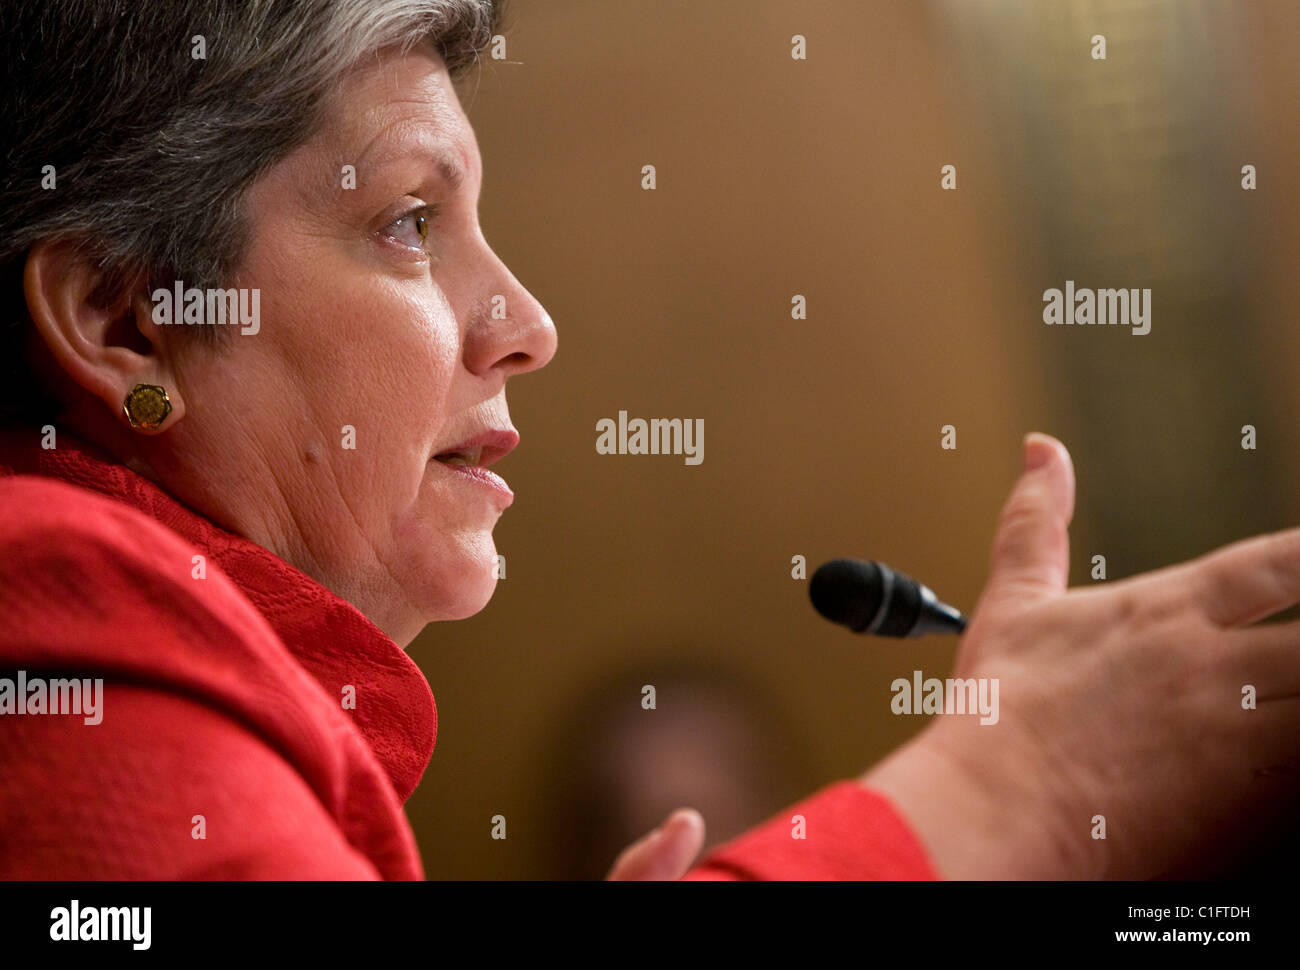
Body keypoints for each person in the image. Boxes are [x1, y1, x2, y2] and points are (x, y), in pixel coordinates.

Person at [0, 0, 1295, 881]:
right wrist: (1014, 792)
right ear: (127, 318)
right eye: (408, 221)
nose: (527, 325)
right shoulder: (41, 591)